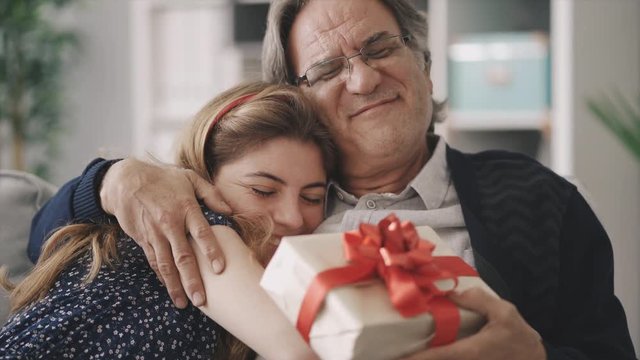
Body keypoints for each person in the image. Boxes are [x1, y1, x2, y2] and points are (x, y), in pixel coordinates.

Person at [28, 0, 637, 359]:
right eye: (326, 68)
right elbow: (48, 248)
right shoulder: (250, 201)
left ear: (422, 63)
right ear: (293, 98)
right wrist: (114, 181)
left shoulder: (538, 200)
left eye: (380, 48)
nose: (364, 79)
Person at [1, 81, 336, 359]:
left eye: (312, 198)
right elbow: (300, 352)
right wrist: (108, 178)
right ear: (203, 178)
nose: (294, 218)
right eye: (263, 190)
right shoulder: (195, 227)